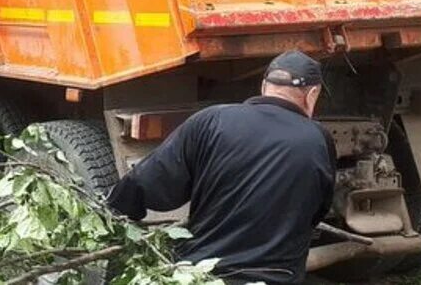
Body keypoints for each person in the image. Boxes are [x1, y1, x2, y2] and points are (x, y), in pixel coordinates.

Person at [106, 51, 334, 284]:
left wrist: (110, 216)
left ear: (264, 85)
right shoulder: (318, 139)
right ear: (312, 94)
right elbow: (317, 211)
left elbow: (146, 184)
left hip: (205, 276)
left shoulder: (212, 121)